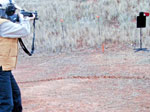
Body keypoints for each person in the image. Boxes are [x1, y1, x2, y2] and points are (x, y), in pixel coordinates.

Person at [0, 0, 35, 112]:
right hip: (1, 68)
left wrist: (21, 18)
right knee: (6, 103)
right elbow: (24, 31)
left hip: (5, 67)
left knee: (15, 98)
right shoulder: (3, 25)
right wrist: (24, 19)